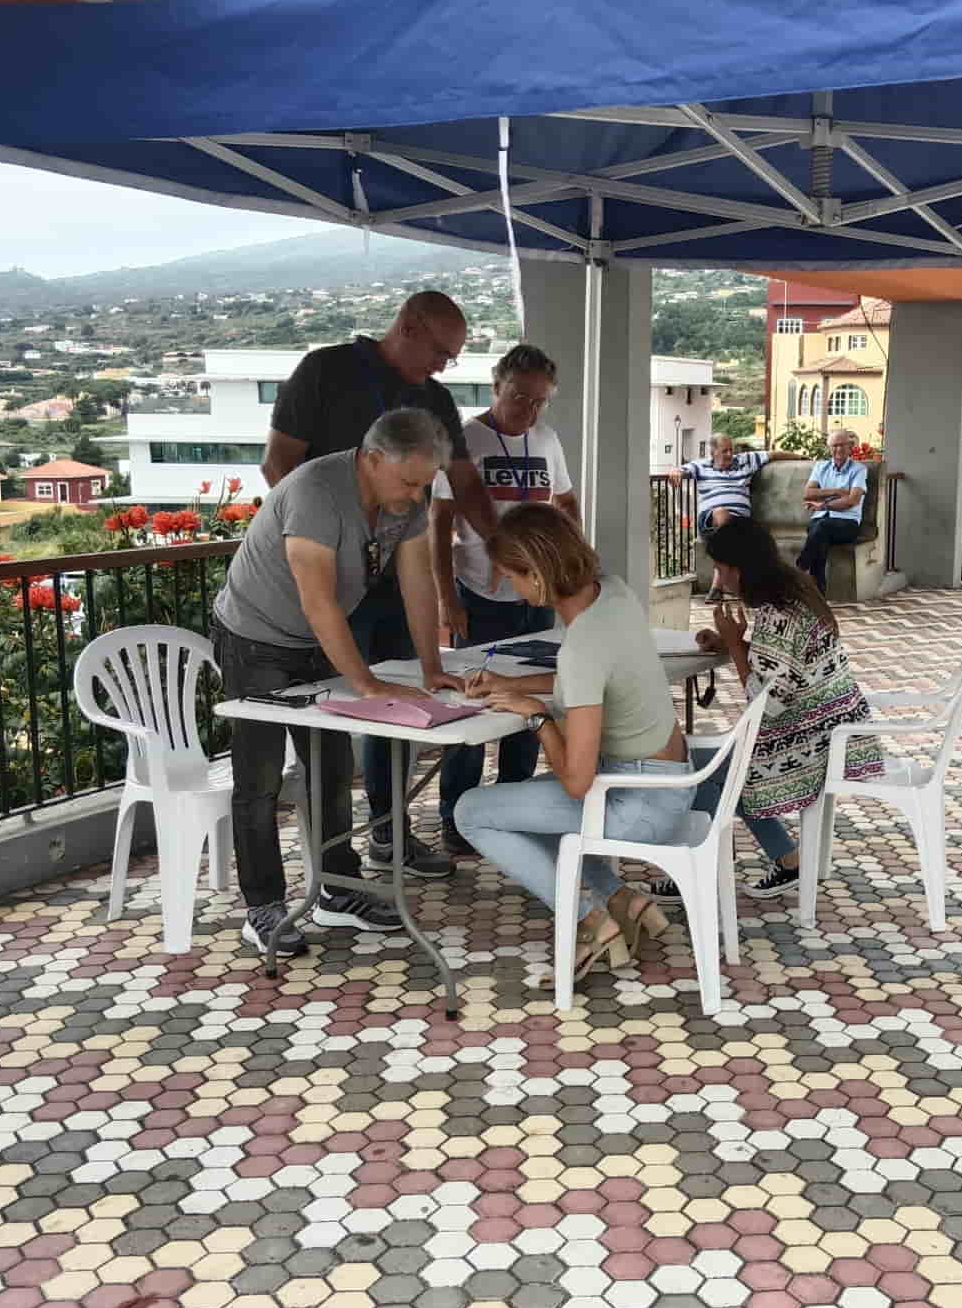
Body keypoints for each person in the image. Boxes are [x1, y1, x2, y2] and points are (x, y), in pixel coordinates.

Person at [258, 291, 499, 877]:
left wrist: (508, 546)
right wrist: (335, 541)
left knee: (404, 714)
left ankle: (390, 835)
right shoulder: (327, 369)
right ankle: (333, 871)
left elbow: (464, 485)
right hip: (325, 587)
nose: (445, 365)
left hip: (394, 584)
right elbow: (277, 465)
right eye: (442, 351)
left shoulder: (434, 398)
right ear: (409, 327)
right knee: (331, 735)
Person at [212, 408, 461, 958]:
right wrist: (367, 685)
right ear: (372, 459)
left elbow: (417, 580)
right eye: (409, 481)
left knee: (329, 768)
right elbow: (318, 600)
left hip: (314, 643)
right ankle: (263, 905)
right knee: (259, 779)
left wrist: (430, 666)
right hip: (256, 640)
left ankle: (335, 889)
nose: (417, 495)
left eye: (425, 483)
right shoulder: (315, 493)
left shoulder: (404, 500)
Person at [454, 504, 691, 982]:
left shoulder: (583, 643)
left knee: (472, 812)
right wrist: (513, 685)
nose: (507, 588)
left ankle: (589, 917)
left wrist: (537, 717)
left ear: (538, 575)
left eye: (511, 577)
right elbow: (588, 680)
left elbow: (577, 781)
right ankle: (624, 899)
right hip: (670, 783)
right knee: (522, 808)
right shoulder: (614, 594)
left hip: (639, 803)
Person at [659, 515, 882, 902]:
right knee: (730, 767)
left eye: (722, 568)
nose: (719, 576)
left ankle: (691, 866)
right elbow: (780, 670)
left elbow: (768, 703)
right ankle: (788, 859)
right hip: (836, 725)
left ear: (740, 568)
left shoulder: (779, 614)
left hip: (815, 737)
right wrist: (735, 644)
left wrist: (734, 643)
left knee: (708, 770)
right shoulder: (794, 591)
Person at [431, 344, 578, 857]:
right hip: (481, 594)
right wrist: (446, 598)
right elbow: (440, 523)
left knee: (527, 709)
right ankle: (456, 817)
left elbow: (565, 501)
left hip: (536, 596)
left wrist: (571, 565)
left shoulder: (546, 438)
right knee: (474, 706)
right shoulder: (467, 439)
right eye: (520, 397)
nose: (529, 410)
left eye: (540, 401)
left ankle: (511, 809)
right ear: (496, 388)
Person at [677, 434, 804, 602]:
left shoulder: (745, 460)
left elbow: (773, 454)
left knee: (757, 538)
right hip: (710, 519)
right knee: (723, 516)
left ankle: (719, 588)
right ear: (713, 452)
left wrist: (802, 457)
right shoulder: (701, 466)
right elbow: (681, 470)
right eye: (724, 451)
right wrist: (675, 472)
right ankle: (723, 587)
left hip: (741, 524)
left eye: (731, 450)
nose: (730, 454)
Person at [796, 428, 869, 593]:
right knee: (820, 536)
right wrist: (836, 491)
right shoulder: (821, 467)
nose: (838, 449)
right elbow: (807, 493)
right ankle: (819, 591)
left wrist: (824, 505)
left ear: (850, 447)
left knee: (820, 530)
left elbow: (852, 500)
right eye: (834, 446)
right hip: (820, 522)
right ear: (829, 448)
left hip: (847, 524)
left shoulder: (859, 470)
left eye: (842, 445)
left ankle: (800, 568)